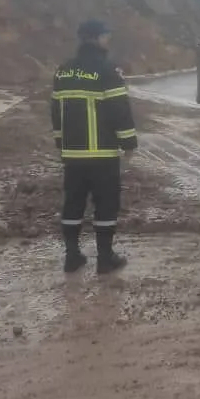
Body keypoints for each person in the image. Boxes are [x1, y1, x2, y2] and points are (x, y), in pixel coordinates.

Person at [50, 19, 137, 274]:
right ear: (99, 38)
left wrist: (60, 141)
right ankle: (105, 258)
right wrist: (129, 143)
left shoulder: (63, 71)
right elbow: (120, 110)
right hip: (102, 154)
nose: (108, 40)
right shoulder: (108, 70)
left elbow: (56, 112)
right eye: (106, 35)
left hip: (73, 154)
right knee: (106, 204)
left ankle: (72, 256)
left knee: (73, 203)